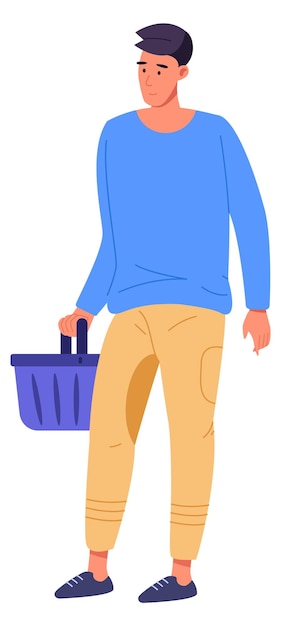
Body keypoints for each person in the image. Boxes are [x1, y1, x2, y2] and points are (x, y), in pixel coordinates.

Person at [55, 23, 271, 603]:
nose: (150, 79)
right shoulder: (115, 136)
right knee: (109, 434)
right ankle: (98, 569)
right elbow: (113, 236)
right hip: (130, 310)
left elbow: (249, 217)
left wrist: (258, 303)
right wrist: (85, 306)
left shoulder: (217, 135)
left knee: (191, 437)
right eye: (143, 68)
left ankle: (181, 575)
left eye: (160, 69)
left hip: (197, 312)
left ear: (181, 73)